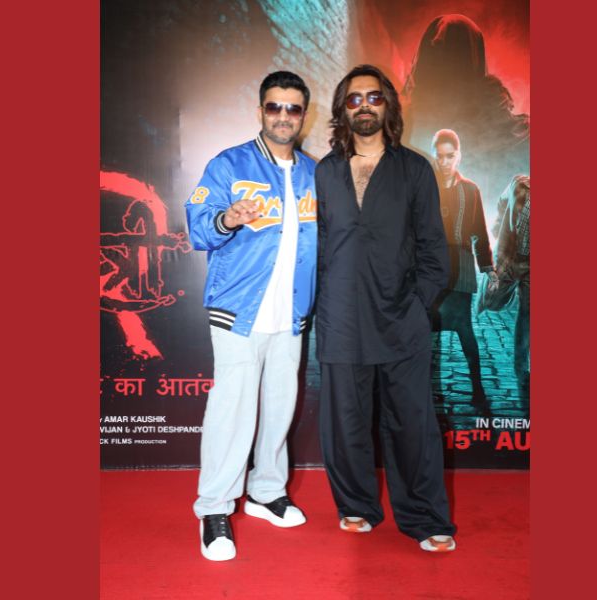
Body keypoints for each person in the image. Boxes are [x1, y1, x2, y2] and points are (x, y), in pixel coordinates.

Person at [315, 64, 456, 552]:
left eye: (373, 97)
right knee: (345, 421)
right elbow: (318, 244)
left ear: (388, 106)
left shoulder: (414, 168)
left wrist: (417, 306)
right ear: (342, 109)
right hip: (340, 318)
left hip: (401, 319)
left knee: (412, 423)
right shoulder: (325, 171)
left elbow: (434, 250)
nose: (364, 106)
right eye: (354, 99)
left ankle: (425, 517)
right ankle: (356, 505)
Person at [185, 71, 317, 561]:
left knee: (280, 408)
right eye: (274, 107)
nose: (283, 116)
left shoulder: (313, 172)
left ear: (304, 115)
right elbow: (198, 227)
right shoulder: (229, 164)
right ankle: (214, 507)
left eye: (293, 108)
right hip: (239, 309)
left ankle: (266, 491)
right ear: (260, 111)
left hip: (291, 312)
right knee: (232, 412)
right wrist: (227, 218)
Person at [403, 14, 529, 207]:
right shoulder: (404, 123)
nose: (443, 63)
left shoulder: (406, 121)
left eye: (449, 52)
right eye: (437, 52)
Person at [429, 129, 497, 414]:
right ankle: (426, 391)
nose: (445, 162)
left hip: (461, 265)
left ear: (459, 156)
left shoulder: (470, 190)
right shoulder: (425, 185)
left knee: (464, 329)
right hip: (430, 266)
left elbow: (480, 230)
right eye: (440, 156)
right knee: (425, 330)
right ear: (435, 156)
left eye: (450, 156)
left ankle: (478, 390)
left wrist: (488, 268)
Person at [493, 174, 530, 399]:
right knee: (495, 300)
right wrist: (499, 227)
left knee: (527, 312)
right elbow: (502, 202)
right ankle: (521, 367)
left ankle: (521, 368)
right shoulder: (520, 183)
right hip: (514, 258)